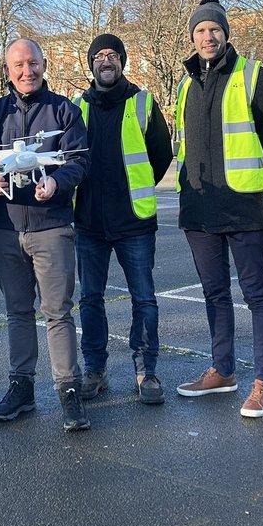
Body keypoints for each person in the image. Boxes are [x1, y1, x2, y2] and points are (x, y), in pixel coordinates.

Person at [174, 0, 263, 418]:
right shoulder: (186, 83)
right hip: (199, 208)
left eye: (215, 29)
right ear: (192, 37)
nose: (208, 36)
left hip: (243, 206)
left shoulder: (253, 74)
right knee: (214, 292)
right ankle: (222, 370)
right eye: (201, 30)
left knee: (257, 293)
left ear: (226, 33)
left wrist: (252, 181)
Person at [0, 39, 91, 431]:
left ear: (44, 65)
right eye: (19, 65)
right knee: (17, 311)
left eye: (34, 63)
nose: (27, 72)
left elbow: (78, 162)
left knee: (57, 311)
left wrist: (57, 184)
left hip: (51, 227)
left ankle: (69, 390)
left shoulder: (65, 111)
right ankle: (21, 385)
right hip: (5, 228)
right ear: (8, 69)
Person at [72, 33, 174, 406]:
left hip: (134, 222)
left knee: (144, 299)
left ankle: (146, 370)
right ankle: (95, 369)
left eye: (113, 55)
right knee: (90, 299)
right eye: (99, 56)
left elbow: (160, 156)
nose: (106, 61)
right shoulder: (76, 107)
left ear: (123, 62)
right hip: (88, 222)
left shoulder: (143, 103)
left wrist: (137, 186)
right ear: (91, 65)